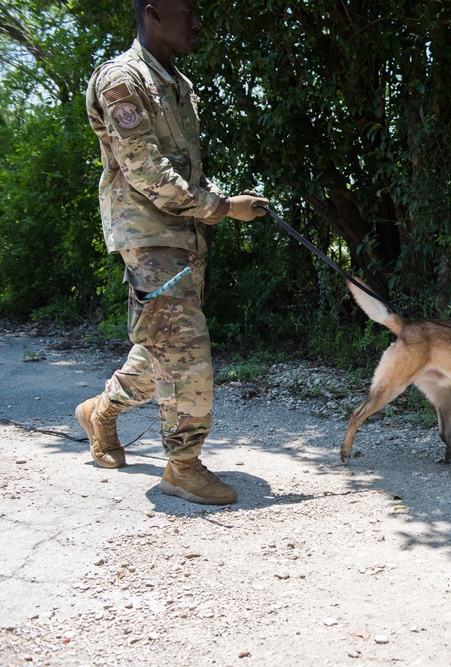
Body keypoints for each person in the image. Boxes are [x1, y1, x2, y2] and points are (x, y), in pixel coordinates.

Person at [76, 0, 268, 505]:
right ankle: (182, 466)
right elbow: (143, 169)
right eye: (189, 11)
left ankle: (101, 411)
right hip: (148, 236)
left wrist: (215, 210)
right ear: (154, 12)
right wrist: (224, 207)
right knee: (186, 348)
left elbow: (177, 167)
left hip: (184, 236)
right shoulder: (122, 78)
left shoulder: (176, 84)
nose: (198, 21)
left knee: (163, 345)